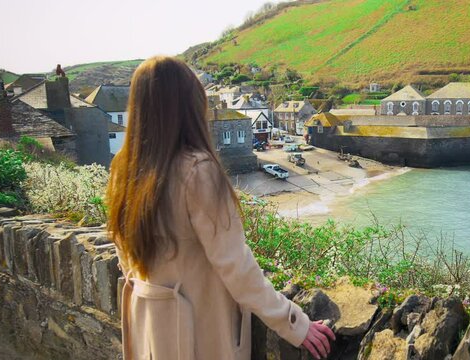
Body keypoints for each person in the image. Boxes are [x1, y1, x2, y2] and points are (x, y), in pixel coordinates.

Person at [106, 56, 335, 360]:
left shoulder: (122, 169)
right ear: (189, 106)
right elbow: (236, 266)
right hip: (199, 336)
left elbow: (124, 251)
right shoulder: (198, 171)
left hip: (148, 327)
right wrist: (294, 322)